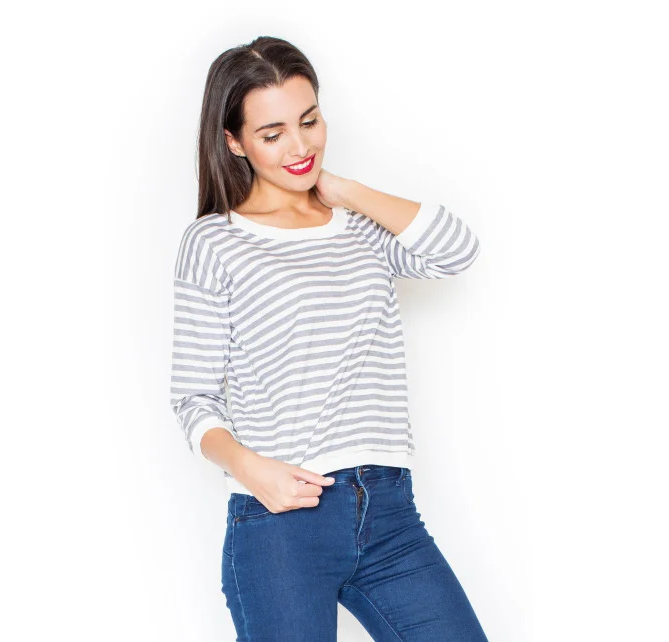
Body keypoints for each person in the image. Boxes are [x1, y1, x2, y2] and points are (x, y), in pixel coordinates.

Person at [169, 35, 489, 641]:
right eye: (272, 134)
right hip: (282, 524)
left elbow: (456, 251)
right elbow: (193, 396)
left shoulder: (361, 230)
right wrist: (250, 468)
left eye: (309, 121)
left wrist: (342, 191)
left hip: (390, 513)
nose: (300, 146)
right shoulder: (216, 241)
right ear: (234, 142)